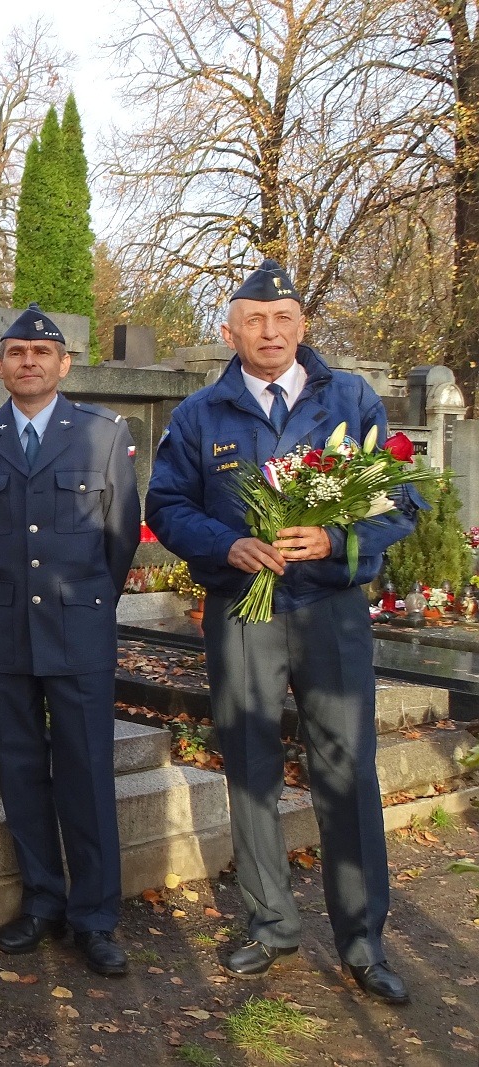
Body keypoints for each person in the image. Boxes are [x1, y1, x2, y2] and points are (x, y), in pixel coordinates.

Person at [146, 259, 419, 1005]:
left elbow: (401, 504)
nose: (271, 332)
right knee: (252, 766)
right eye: (255, 321)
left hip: (330, 612)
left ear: (303, 327)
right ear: (230, 330)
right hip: (244, 612)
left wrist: (335, 543)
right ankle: (271, 925)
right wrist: (223, 544)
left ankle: (363, 941)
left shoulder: (351, 398)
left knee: (347, 769)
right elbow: (166, 505)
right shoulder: (202, 414)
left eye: (285, 320)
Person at [0, 306, 140, 976]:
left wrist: (85, 600)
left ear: (63, 365)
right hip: (7, 626)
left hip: (79, 626)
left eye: (41, 351)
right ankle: (41, 900)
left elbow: (120, 540)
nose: (28, 361)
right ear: (0, 365)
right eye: (16, 352)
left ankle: (95, 916)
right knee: (23, 768)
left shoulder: (103, 434)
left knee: (86, 771)